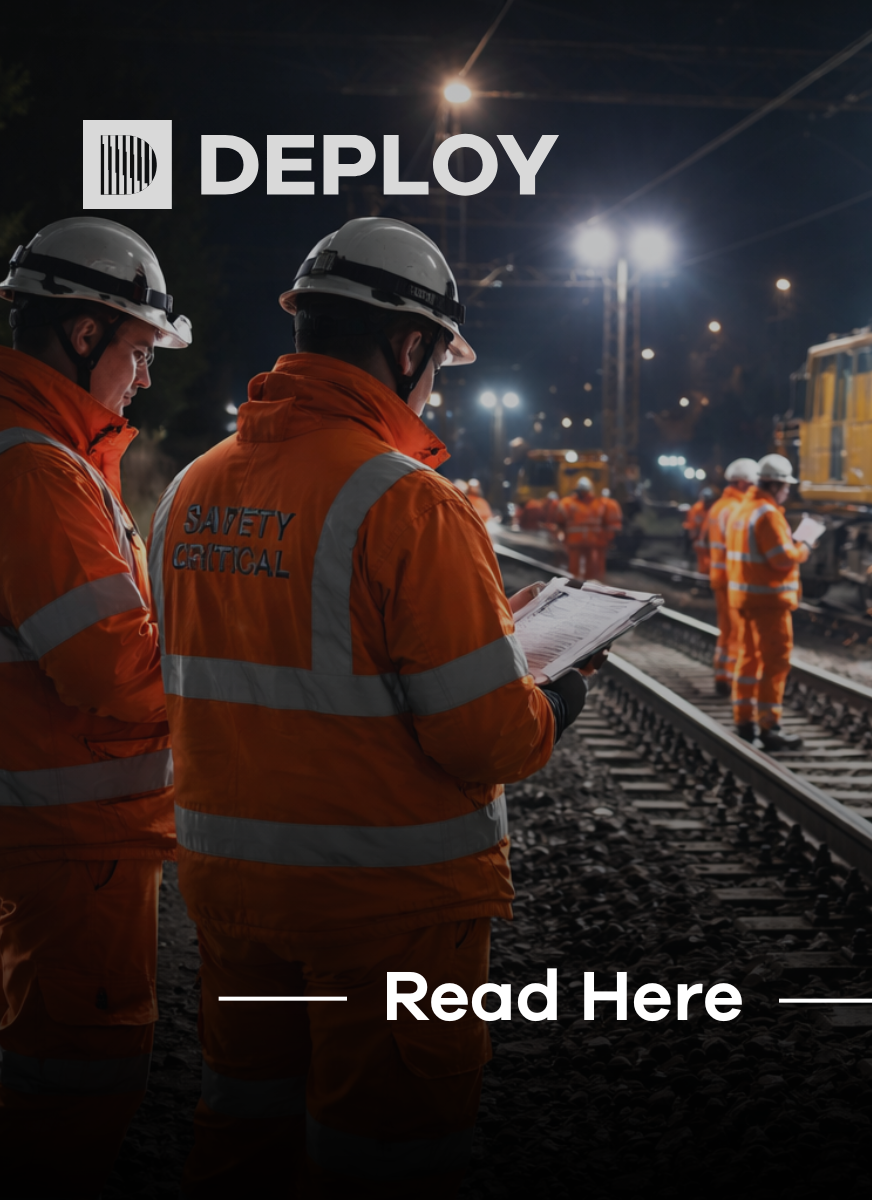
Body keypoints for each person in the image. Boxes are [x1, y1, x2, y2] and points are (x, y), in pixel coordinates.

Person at [152, 216, 591, 1198]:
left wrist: (477, 628)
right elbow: (483, 734)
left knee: (243, 1129)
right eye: (437, 362)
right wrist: (556, 699)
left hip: (233, 895)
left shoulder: (191, 491)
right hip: (384, 908)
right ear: (408, 346)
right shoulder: (411, 501)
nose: (435, 384)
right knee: (383, 1155)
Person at [0, 216, 191, 1196]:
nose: (144, 378)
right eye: (138, 350)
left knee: (22, 1063)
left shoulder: (6, 444)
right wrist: (227, 659)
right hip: (72, 838)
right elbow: (112, 671)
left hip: (36, 828)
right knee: (75, 1090)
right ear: (86, 334)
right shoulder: (32, 469)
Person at [725, 454, 809, 751]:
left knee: (748, 659)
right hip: (769, 602)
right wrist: (804, 546)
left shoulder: (742, 510)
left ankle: (744, 721)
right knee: (774, 663)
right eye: (786, 486)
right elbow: (782, 560)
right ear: (774, 485)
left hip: (744, 599)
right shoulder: (768, 514)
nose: (788, 491)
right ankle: (769, 725)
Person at [699, 459, 757, 697]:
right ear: (743, 483)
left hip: (719, 577)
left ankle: (722, 675)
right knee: (737, 632)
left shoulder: (717, 507)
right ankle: (734, 681)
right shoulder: (736, 509)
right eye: (753, 484)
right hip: (734, 579)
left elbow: (702, 541)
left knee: (725, 630)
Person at [557, 477, 621, 580]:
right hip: (581, 541)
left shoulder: (596, 504)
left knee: (589, 567)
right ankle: (576, 584)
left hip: (588, 541)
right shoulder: (594, 503)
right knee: (577, 567)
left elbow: (561, 521)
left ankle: (586, 585)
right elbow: (561, 521)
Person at [685, 487, 716, 573]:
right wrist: (694, 540)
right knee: (701, 560)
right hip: (699, 539)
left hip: (711, 538)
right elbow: (692, 526)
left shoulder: (714, 508)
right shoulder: (697, 509)